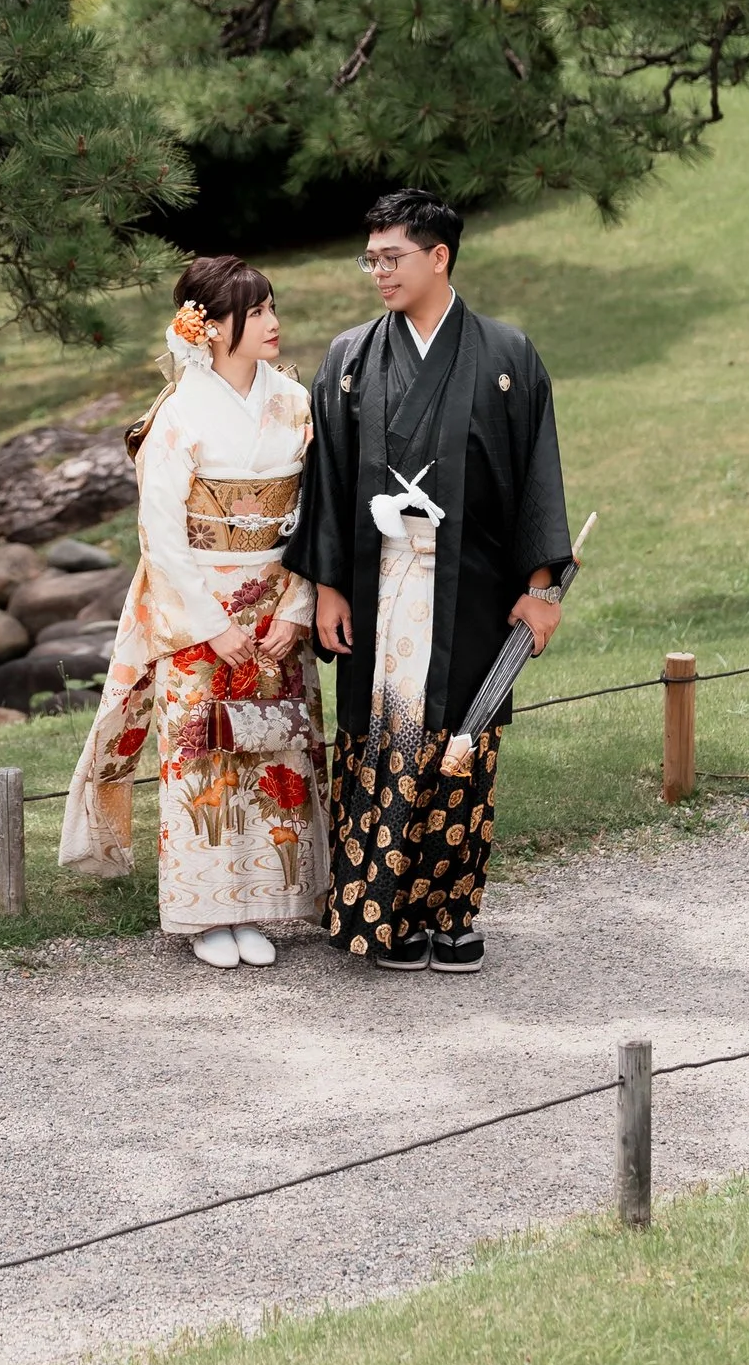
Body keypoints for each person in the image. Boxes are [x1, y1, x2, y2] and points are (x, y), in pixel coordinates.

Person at [282, 186, 573, 973]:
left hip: (472, 589)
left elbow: (535, 479)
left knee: (461, 744)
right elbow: (331, 486)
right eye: (371, 258)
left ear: (439, 256)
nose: (377, 271)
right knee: (379, 742)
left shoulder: (507, 357)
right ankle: (391, 913)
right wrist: (330, 589)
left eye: (393, 257)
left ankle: (453, 911)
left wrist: (541, 590)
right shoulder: (348, 360)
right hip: (377, 588)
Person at [58, 254, 328, 970]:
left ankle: (263, 906)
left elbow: (315, 512)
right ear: (209, 329)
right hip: (200, 609)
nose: (274, 323)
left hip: (275, 607)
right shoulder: (177, 415)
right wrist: (214, 623)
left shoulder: (295, 403)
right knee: (201, 757)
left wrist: (295, 607)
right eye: (257, 311)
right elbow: (161, 536)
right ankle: (206, 913)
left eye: (272, 308)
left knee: (275, 749)